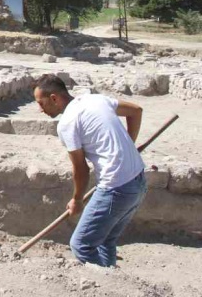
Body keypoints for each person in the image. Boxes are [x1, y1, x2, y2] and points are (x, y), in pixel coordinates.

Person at [33, 73, 146, 267]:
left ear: (54, 98)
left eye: (41, 103)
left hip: (116, 186)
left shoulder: (67, 123)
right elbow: (136, 111)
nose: (39, 109)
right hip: (138, 181)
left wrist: (77, 200)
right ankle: (114, 282)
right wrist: (128, 146)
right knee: (105, 240)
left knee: (81, 245)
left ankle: (106, 284)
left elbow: (81, 168)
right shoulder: (96, 99)